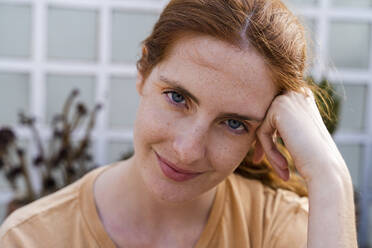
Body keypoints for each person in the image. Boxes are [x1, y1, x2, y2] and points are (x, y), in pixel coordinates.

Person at [0, 0, 358, 247]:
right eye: (177, 97)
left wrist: (330, 177)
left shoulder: (277, 230)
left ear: (261, 137)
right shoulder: (31, 238)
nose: (187, 151)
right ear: (143, 71)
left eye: (233, 123)